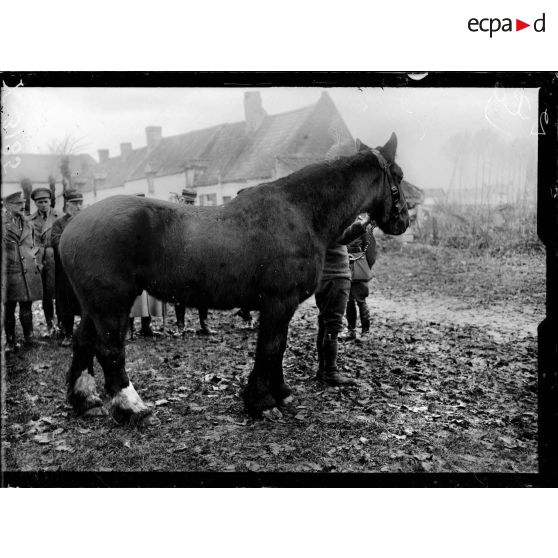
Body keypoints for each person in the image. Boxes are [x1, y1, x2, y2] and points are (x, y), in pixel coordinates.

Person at [315, 213, 371, 386]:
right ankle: (330, 371)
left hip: (322, 278)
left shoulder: (318, 218)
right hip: (336, 278)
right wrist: (365, 222)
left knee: (325, 323)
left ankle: (323, 369)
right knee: (332, 326)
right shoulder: (332, 218)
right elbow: (345, 235)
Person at [2, 191, 43, 351]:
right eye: (18, 204)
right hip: (10, 273)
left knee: (26, 306)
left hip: (27, 271)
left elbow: (35, 244)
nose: (22, 206)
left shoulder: (27, 223)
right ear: (7, 206)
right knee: (9, 307)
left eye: (22, 203)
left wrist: (37, 262)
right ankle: (10, 341)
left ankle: (29, 338)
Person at [173, 188, 215, 336]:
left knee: (203, 294)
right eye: (187, 202)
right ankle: (180, 326)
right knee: (180, 295)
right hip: (181, 261)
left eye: (192, 202)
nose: (190, 204)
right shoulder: (176, 216)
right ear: (183, 200)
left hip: (199, 262)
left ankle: (204, 324)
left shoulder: (200, 217)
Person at [51, 189, 84, 346]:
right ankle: (68, 334)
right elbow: (57, 244)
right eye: (74, 203)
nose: (78, 206)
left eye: (80, 203)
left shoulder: (88, 221)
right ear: (67, 204)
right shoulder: (59, 223)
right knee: (67, 304)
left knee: (85, 302)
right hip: (66, 272)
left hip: (85, 271)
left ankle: (86, 334)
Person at [29, 187, 62, 337]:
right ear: (35, 203)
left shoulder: (59, 216)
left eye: (46, 201)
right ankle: (50, 324)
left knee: (61, 293)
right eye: (40, 202)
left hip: (58, 257)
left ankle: (62, 324)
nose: (43, 204)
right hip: (40, 260)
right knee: (46, 295)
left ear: (50, 201)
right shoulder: (30, 220)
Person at [345, 219, 377, 341]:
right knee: (348, 300)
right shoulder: (344, 223)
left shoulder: (364, 226)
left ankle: (366, 331)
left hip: (359, 265)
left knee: (360, 299)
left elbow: (371, 252)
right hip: (345, 267)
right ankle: (351, 330)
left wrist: (364, 267)